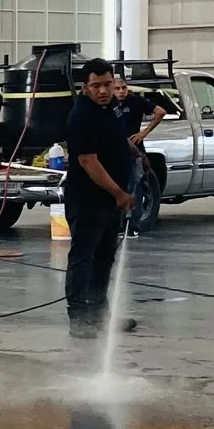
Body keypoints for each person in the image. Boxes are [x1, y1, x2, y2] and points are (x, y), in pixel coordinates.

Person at [63, 60, 138, 336]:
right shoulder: (82, 116)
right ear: (86, 87)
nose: (104, 90)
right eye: (96, 86)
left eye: (108, 84)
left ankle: (100, 316)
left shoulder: (112, 109)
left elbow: (118, 138)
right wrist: (119, 192)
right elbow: (87, 161)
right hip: (88, 202)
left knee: (104, 258)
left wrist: (136, 153)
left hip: (111, 203)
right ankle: (80, 320)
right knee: (83, 257)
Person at [113, 73, 177, 234]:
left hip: (135, 152)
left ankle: (133, 225)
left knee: (135, 187)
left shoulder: (136, 102)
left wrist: (144, 133)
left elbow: (160, 112)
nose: (121, 91)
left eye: (124, 88)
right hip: (116, 151)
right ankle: (118, 223)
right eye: (117, 89)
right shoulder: (110, 105)